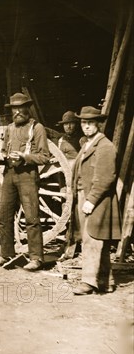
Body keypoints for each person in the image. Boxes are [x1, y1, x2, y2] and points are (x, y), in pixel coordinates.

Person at [0, 93, 50, 271]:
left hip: (27, 175)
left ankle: (36, 258)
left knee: (31, 217)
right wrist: (1, 155)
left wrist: (25, 157)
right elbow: (3, 149)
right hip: (10, 174)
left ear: (27, 108)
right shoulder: (9, 128)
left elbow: (45, 157)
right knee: (4, 216)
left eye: (20, 108)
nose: (17, 112)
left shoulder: (37, 128)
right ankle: (6, 254)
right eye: (14, 109)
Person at [71, 106, 121, 295]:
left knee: (91, 239)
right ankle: (106, 281)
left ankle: (88, 282)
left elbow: (106, 177)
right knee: (98, 240)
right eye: (84, 123)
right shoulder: (87, 144)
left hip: (97, 199)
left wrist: (91, 199)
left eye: (91, 123)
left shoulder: (105, 146)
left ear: (98, 124)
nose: (87, 126)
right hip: (87, 195)